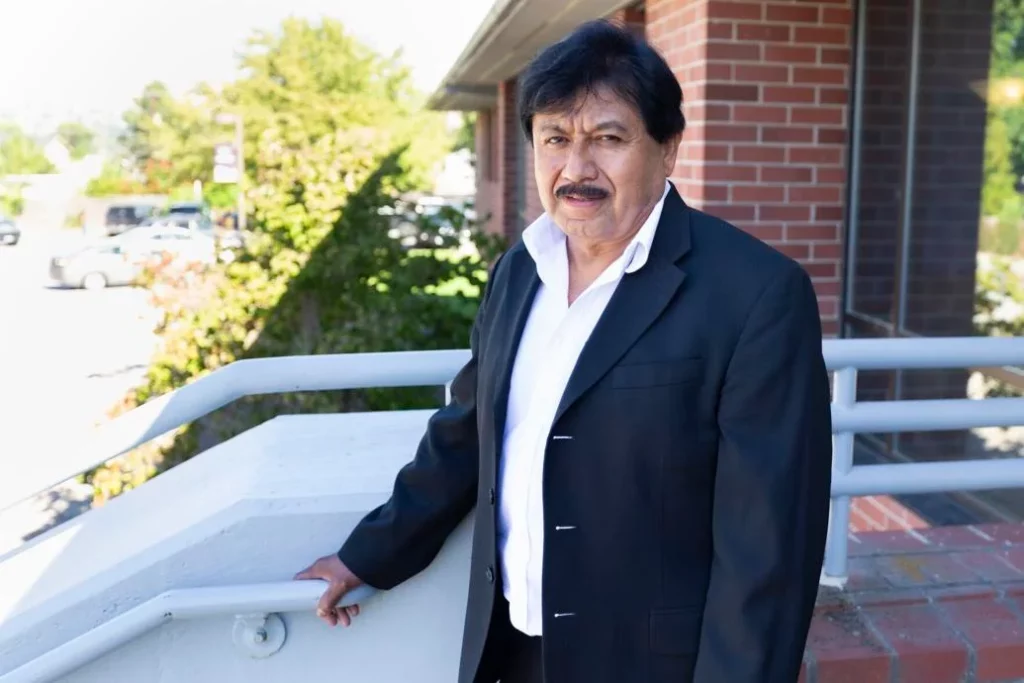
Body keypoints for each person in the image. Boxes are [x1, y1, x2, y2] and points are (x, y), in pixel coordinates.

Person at [296, 18, 832, 683]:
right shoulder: (519, 270)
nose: (576, 168)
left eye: (608, 138)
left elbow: (769, 549)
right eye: (555, 138)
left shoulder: (755, 294)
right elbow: (467, 436)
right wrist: (365, 557)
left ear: (668, 148)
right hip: (509, 648)